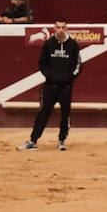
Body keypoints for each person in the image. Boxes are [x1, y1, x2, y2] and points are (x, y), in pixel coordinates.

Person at [18, 19, 81, 152]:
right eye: (58, 27)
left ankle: (62, 140)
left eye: (63, 27)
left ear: (67, 29)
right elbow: (42, 63)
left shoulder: (73, 45)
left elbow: (78, 65)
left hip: (65, 87)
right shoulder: (48, 44)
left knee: (65, 114)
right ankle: (33, 140)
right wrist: (49, 75)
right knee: (43, 113)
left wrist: (68, 78)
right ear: (54, 29)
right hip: (50, 86)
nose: (60, 30)